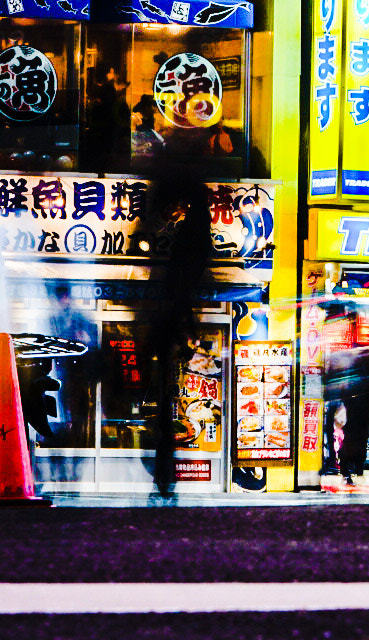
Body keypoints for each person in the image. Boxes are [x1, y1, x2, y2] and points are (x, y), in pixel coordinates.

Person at [142, 161, 213, 497]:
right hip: (172, 311)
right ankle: (164, 476)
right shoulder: (191, 246)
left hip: (167, 314)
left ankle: (162, 476)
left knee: (162, 405)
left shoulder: (182, 251)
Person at [320, 301, 369, 489]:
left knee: (346, 431)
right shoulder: (362, 348)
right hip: (355, 399)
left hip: (349, 397)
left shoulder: (343, 343)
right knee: (356, 432)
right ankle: (350, 466)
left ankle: (344, 465)